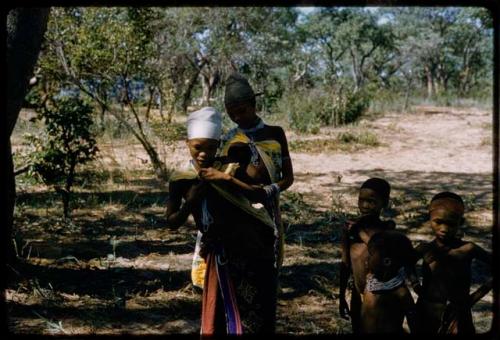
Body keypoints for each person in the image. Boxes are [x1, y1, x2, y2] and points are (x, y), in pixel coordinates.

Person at [166, 107, 278, 335]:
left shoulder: (229, 168)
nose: (204, 154)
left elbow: (258, 194)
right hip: (217, 257)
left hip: (248, 252)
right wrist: (190, 202)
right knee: (219, 317)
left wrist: (225, 178)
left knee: (252, 318)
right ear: (187, 143)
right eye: (197, 147)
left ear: (218, 146)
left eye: (210, 147)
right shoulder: (181, 180)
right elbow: (171, 222)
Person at [219, 72, 294, 271]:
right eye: (231, 113)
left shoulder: (275, 133)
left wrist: (269, 191)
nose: (237, 117)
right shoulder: (228, 139)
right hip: (239, 207)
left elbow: (288, 177)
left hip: (269, 204)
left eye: (242, 111)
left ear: (254, 104)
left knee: (268, 256)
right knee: (242, 259)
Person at [413, 191, 492, 334]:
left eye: (451, 224)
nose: (444, 229)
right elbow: (403, 264)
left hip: (459, 314)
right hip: (427, 311)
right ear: (429, 218)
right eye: (438, 222)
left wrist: (475, 297)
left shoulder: (468, 249)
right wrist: (415, 285)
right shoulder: (424, 249)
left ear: (460, 223)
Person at [338, 177, 395, 333]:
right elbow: (345, 264)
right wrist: (341, 296)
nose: (364, 206)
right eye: (361, 200)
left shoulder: (387, 228)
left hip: (381, 296)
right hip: (357, 295)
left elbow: (381, 251)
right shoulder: (349, 229)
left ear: (385, 203)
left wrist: (360, 233)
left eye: (371, 201)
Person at [361, 230, 418, 333]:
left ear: (387, 262)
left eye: (370, 255)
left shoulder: (400, 292)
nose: (366, 259)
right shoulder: (371, 282)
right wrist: (359, 230)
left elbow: (413, 318)